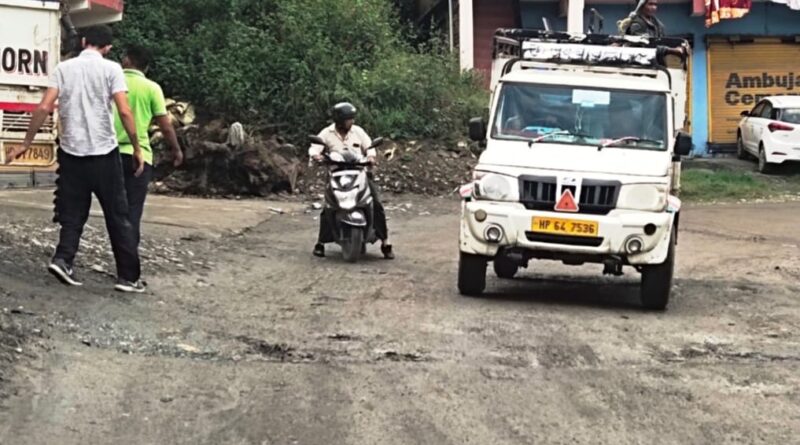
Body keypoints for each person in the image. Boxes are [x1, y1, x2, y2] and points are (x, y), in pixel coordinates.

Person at [5, 25, 146, 293]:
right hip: (104, 153)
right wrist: (137, 147)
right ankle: (128, 277)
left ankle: (63, 259)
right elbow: (125, 111)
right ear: (107, 48)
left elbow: (45, 106)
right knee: (118, 215)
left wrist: (26, 143)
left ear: (83, 42)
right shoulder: (112, 69)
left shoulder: (63, 69)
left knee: (72, 213)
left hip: (71, 154)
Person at [113, 45, 184, 248]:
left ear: (126, 60)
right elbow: (165, 125)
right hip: (139, 157)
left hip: (107, 155)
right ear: (147, 67)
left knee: (114, 211)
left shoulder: (110, 82)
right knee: (132, 211)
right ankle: (128, 266)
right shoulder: (152, 88)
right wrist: (176, 150)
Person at [309, 102, 394, 259]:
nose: (352, 122)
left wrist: (370, 157)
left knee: (375, 203)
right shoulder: (327, 133)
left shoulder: (358, 132)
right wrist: (317, 156)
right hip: (336, 173)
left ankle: (385, 242)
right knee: (329, 205)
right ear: (340, 120)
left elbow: (370, 147)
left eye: (352, 119)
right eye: (349, 119)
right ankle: (321, 243)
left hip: (359, 172)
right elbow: (314, 148)